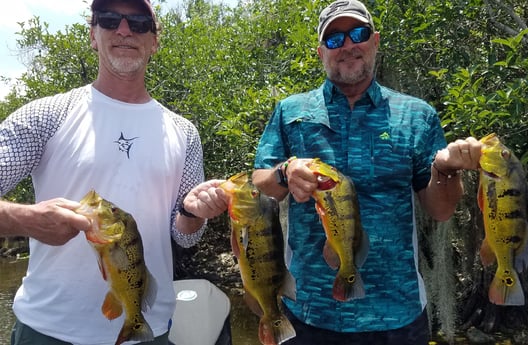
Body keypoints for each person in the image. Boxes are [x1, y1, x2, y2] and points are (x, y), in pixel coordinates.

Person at [252, 0, 482, 344]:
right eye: (334, 40)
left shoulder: (416, 115)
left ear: (375, 41)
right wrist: (285, 172)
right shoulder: (291, 112)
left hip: (396, 313)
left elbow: (441, 209)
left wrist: (447, 169)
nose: (347, 45)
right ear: (320, 52)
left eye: (357, 34)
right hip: (310, 310)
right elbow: (260, 182)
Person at [0, 0, 228, 344]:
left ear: (154, 41)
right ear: (93, 35)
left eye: (138, 22)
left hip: (151, 332)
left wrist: (192, 212)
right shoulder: (47, 115)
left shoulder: (184, 132)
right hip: (48, 331)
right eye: (109, 20)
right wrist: (22, 219)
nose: (123, 30)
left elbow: (185, 236)